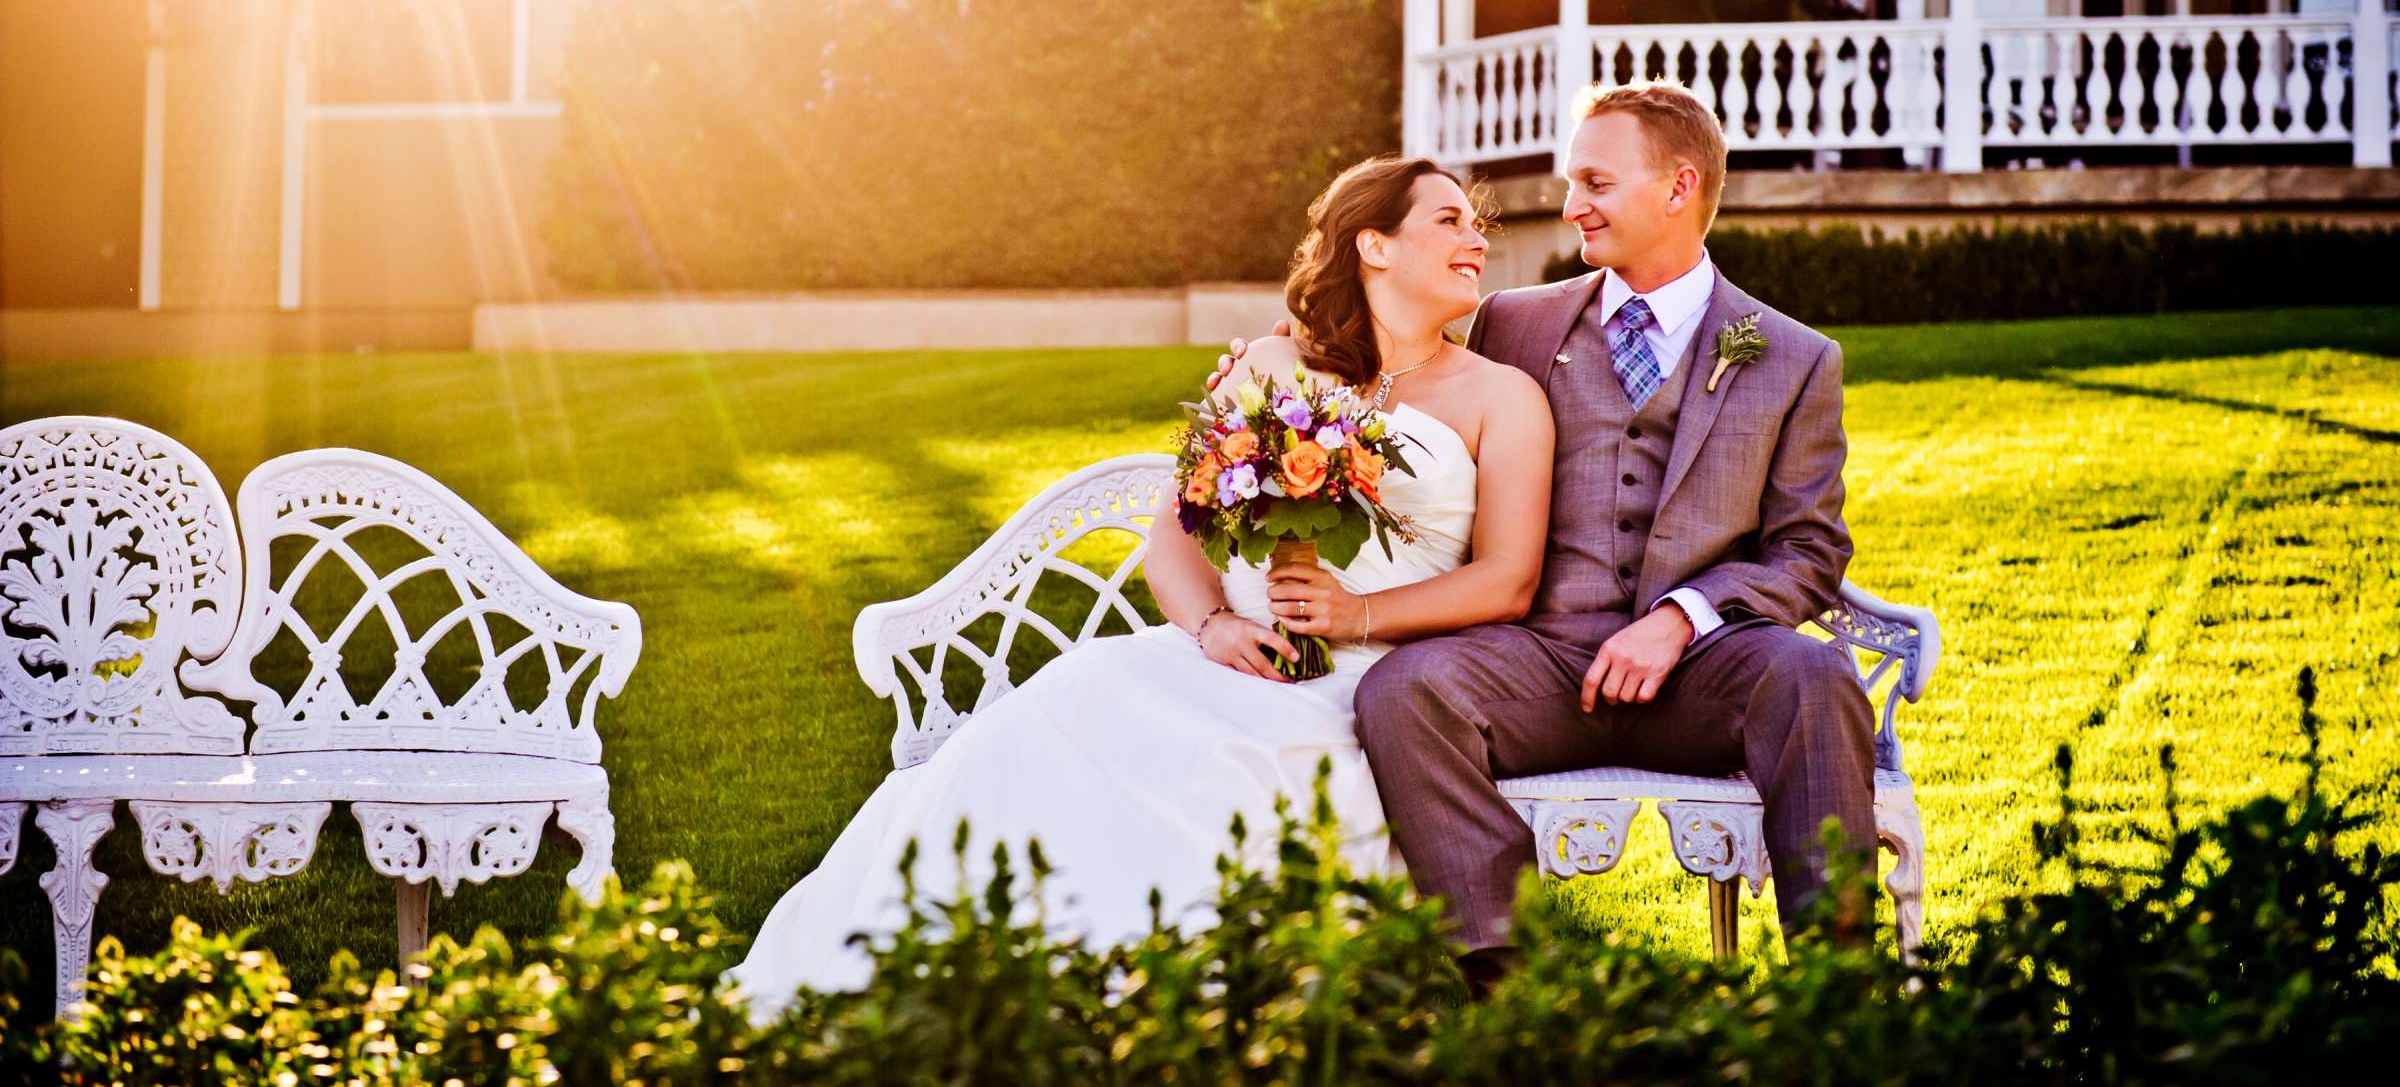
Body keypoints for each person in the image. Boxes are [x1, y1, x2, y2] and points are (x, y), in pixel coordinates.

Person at [725, 155, 1554, 1015]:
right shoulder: (1269, 363)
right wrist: (1213, 631)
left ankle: (1134, 1012)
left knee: (1229, 768)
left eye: (1476, 223)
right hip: (1229, 654)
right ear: (1374, 246)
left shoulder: (1503, 397)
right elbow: (1175, 536)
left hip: (1368, 681)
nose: (1476, 240)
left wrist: (1360, 612)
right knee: (1062, 708)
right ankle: (939, 979)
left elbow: (1509, 580)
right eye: (1449, 221)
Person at [1221, 81, 1874, 992]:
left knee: (1814, 675)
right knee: (1409, 693)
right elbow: (1388, 369)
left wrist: (1683, 619)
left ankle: (1840, 994)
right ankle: (1513, 985)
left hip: (1709, 673)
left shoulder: (1795, 356)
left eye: (1595, 184)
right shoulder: (1512, 324)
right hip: (1539, 663)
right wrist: (1268, 382)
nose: (1571, 207)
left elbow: (1809, 552)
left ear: (1679, 188)